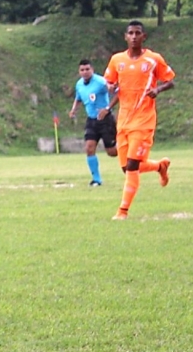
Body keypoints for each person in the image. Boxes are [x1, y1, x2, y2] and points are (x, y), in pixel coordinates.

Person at [103, 20, 175, 220]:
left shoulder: (153, 59)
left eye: (138, 33)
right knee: (127, 167)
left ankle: (122, 211)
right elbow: (111, 84)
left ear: (144, 37)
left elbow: (170, 81)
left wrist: (158, 89)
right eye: (130, 33)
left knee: (133, 165)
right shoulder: (117, 60)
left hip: (144, 121)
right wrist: (109, 91)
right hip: (124, 120)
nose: (134, 36)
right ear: (125, 37)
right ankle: (159, 166)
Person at [68, 59, 117, 186]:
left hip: (105, 120)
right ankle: (96, 179)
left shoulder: (100, 82)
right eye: (82, 70)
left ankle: (130, 151)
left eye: (87, 69)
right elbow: (78, 98)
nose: (85, 72)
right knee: (89, 148)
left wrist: (107, 107)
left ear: (92, 70)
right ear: (79, 71)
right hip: (91, 120)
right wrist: (74, 110)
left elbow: (113, 91)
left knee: (112, 152)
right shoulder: (79, 84)